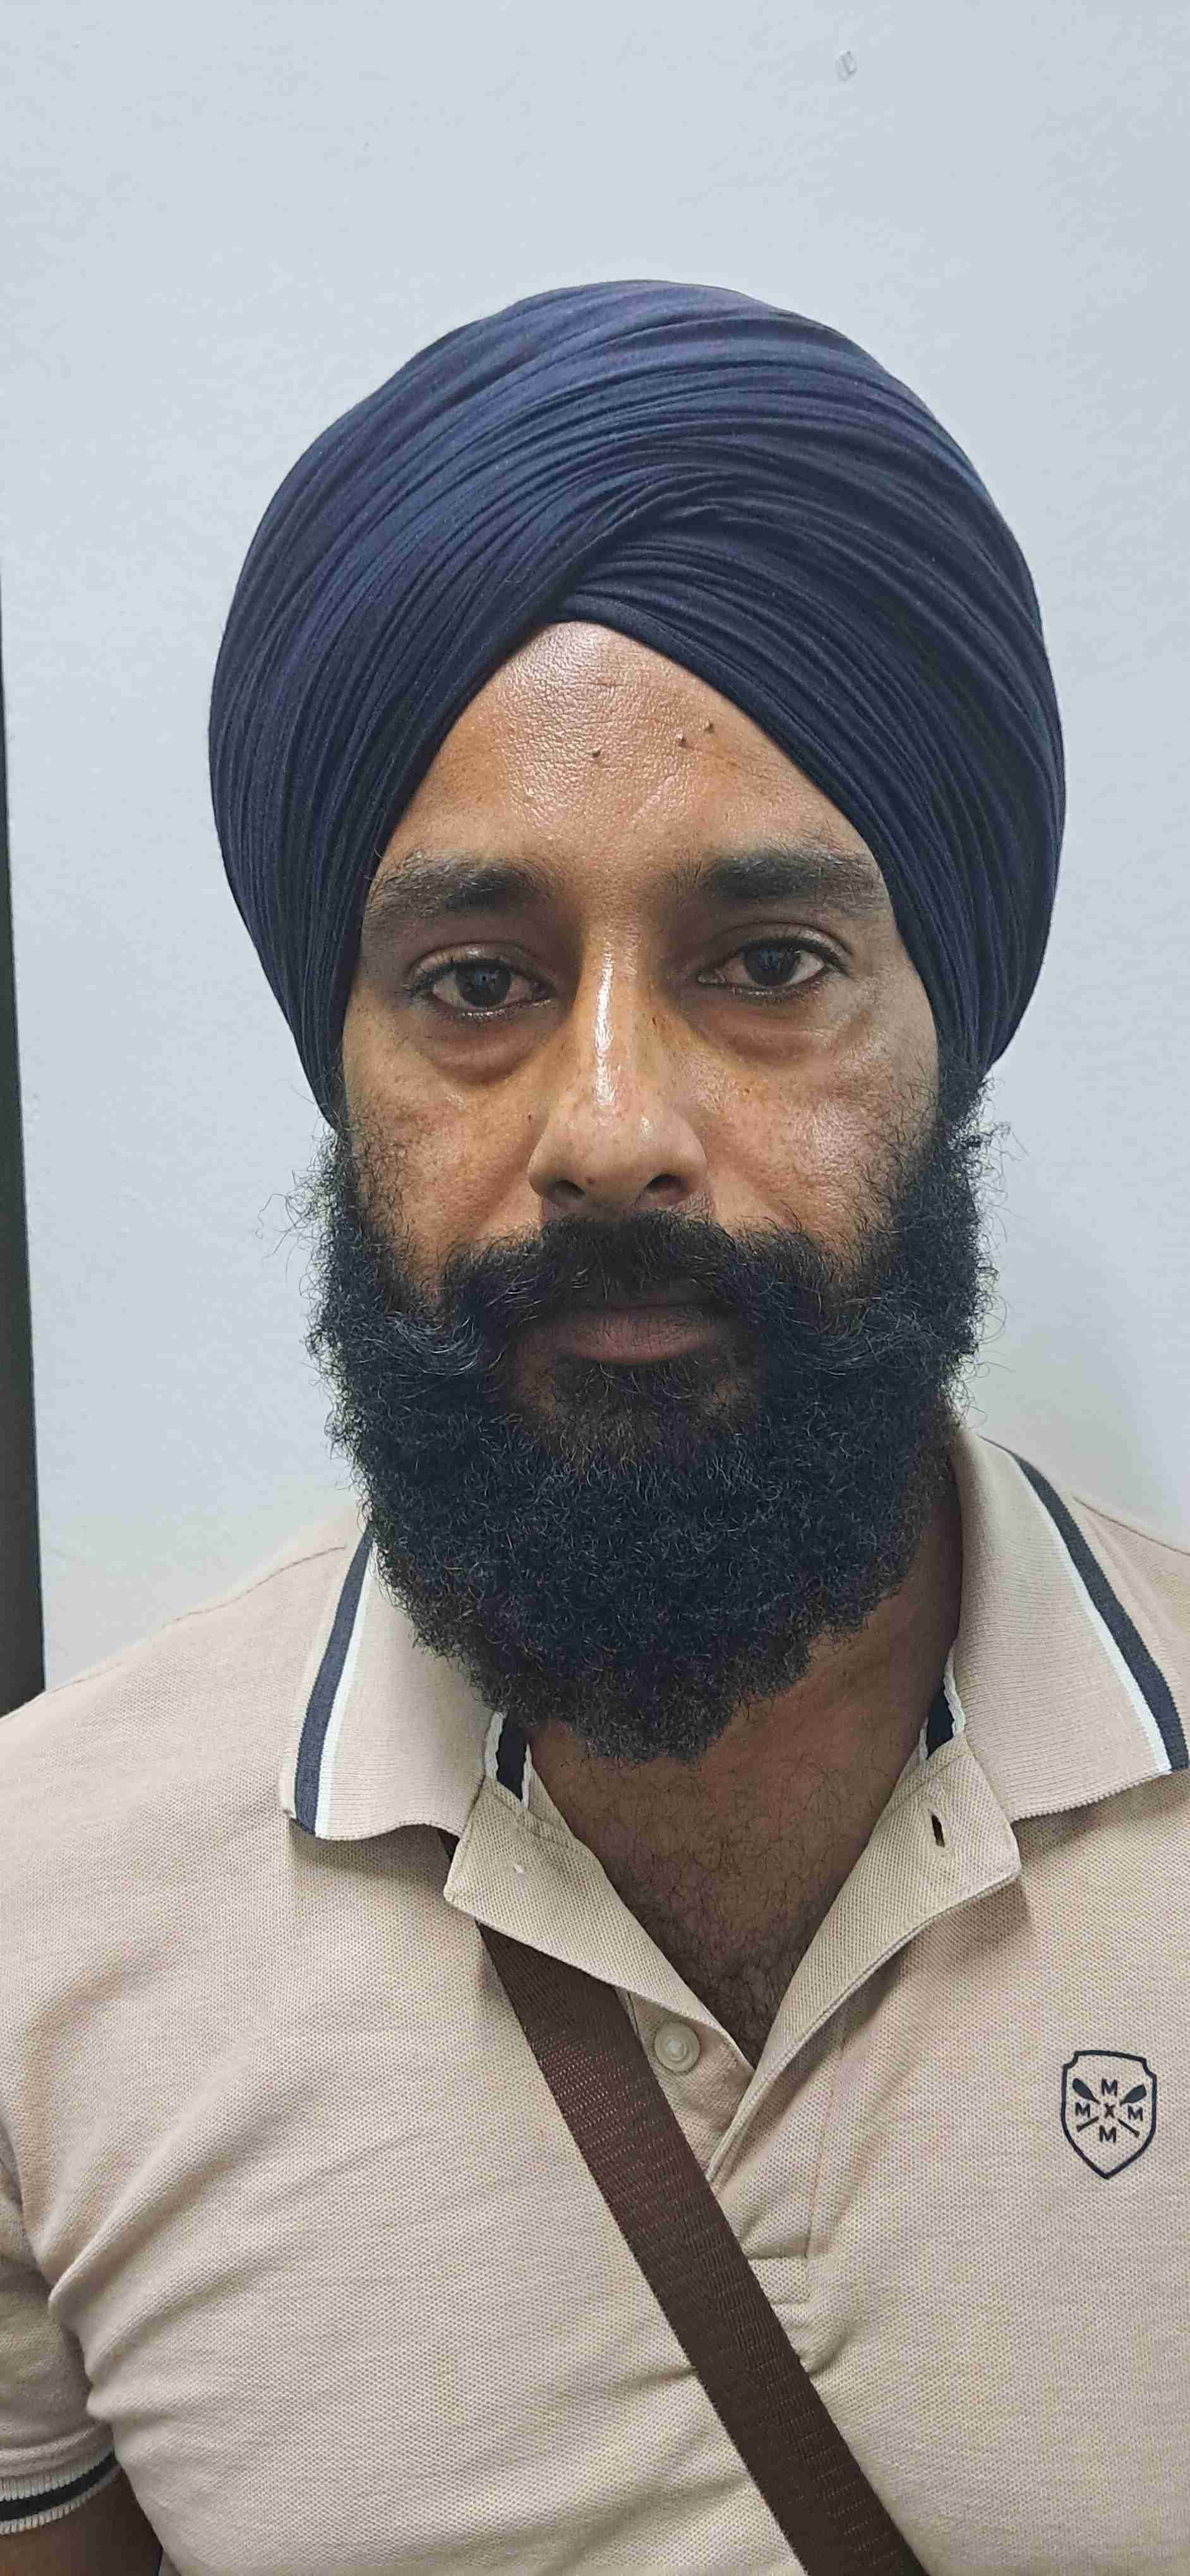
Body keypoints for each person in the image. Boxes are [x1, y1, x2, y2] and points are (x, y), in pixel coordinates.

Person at [1, 280, 1186, 2576]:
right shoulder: (32, 1928)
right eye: (478, 983)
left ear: (947, 1026)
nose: (615, 1130)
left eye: (767, 965)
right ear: (340, 1057)